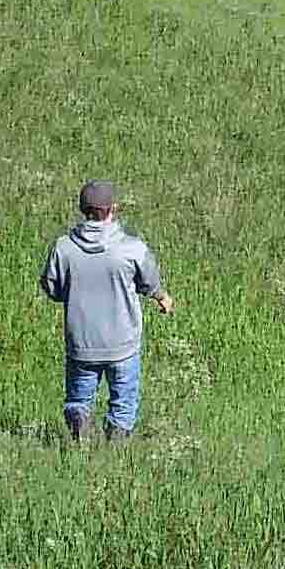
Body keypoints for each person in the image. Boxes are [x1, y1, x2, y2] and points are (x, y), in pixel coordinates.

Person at [40, 179, 171, 446]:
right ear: (113, 208)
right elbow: (149, 282)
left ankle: (80, 426)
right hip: (123, 344)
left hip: (82, 344)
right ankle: (115, 449)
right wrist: (162, 297)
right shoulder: (132, 248)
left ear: (82, 209)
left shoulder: (63, 248)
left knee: (79, 398)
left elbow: (52, 288)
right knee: (123, 403)